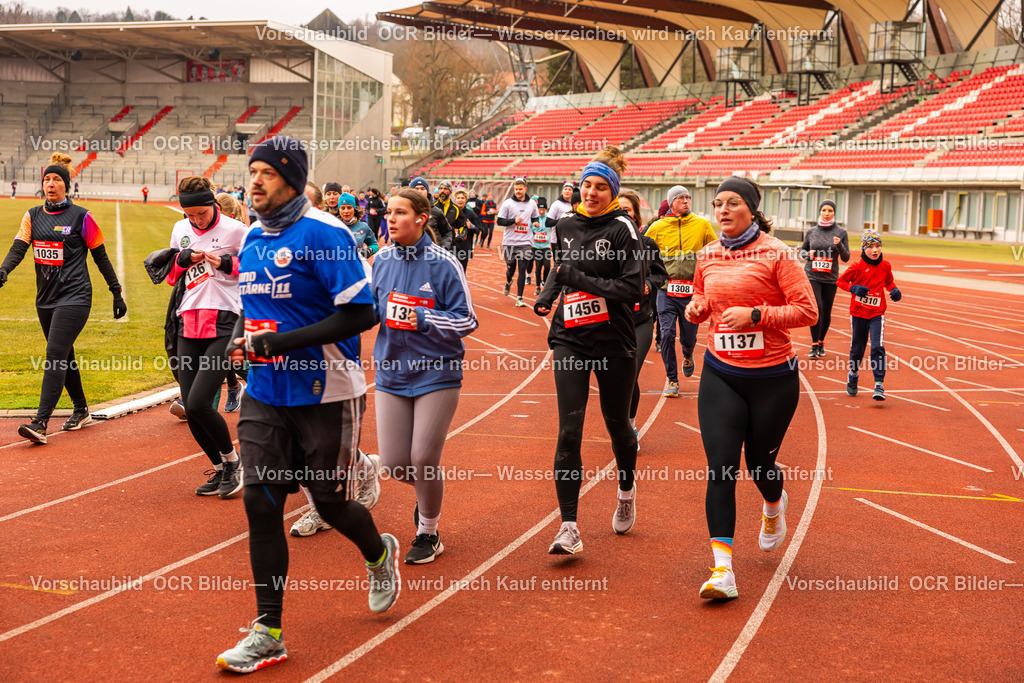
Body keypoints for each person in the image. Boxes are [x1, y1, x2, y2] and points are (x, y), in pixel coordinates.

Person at [217, 136, 397, 673]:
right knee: (261, 504)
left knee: (330, 502)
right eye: (251, 172)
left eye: (267, 173)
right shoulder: (252, 236)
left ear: (292, 179)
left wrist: (283, 343)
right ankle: (268, 630)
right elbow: (261, 313)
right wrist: (246, 342)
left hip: (327, 391)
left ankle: (377, 553)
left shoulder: (326, 233)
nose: (254, 182)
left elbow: (362, 314)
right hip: (266, 393)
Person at [683, 177, 817, 600]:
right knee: (721, 466)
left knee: (760, 465)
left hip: (772, 378)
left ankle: (774, 504)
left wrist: (757, 315)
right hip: (720, 372)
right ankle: (723, 571)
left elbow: (807, 311)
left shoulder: (777, 253)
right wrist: (696, 307)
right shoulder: (706, 254)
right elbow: (702, 296)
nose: (722, 210)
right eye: (717, 203)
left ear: (752, 209)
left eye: (733, 203)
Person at [534, 147, 643, 555]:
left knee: (618, 424)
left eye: (600, 187)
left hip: (614, 340)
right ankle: (569, 526)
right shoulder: (563, 225)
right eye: (586, 185)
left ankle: (627, 489)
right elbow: (558, 269)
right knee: (569, 429)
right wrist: (546, 296)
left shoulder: (623, 230)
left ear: (612, 193)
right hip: (571, 338)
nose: (591, 192)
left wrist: (576, 277)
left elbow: (631, 290)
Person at [372, 188, 478, 563]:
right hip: (390, 372)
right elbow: (370, 310)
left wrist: (425, 318)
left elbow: (468, 319)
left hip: (437, 372)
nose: (390, 218)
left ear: (420, 218)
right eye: (388, 212)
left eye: (399, 212)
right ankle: (426, 495)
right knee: (394, 464)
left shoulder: (443, 263)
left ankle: (428, 532)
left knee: (422, 459)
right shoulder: (380, 260)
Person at [0, 153, 126, 443]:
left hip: (75, 296)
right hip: (45, 298)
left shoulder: (82, 216)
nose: (51, 184)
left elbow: (101, 257)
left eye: (57, 179)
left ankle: (40, 423)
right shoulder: (32, 215)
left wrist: (116, 292)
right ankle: (81, 410)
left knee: (54, 354)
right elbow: (19, 247)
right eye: (47, 179)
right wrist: (4, 270)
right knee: (65, 355)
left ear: (67, 185)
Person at [165, 176, 248, 497]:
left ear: (214, 204)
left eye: (202, 213)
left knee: (198, 403)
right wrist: (182, 259)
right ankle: (220, 468)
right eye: (191, 215)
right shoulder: (180, 230)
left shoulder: (237, 231)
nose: (197, 220)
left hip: (226, 320)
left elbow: (257, 271)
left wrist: (228, 263)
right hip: (188, 321)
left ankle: (233, 462)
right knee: (192, 407)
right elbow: (171, 275)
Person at [645, 185, 716, 398]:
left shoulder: (702, 225)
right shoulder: (658, 227)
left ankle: (687, 353)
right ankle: (672, 379)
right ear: (671, 203)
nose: (685, 201)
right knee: (666, 333)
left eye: (688, 197)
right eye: (680, 198)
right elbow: (640, 249)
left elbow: (715, 250)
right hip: (666, 290)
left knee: (688, 336)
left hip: (691, 292)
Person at [619, 189, 667, 452]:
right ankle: (619, 422)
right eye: (618, 209)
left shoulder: (647, 244)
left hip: (641, 320)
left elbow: (661, 275)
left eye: (627, 210)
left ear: (636, 215)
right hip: (613, 321)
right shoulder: (605, 244)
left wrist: (649, 284)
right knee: (616, 378)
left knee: (630, 373)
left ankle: (630, 425)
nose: (622, 214)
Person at [837, 230, 901, 400]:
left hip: (877, 313)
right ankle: (853, 374)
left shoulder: (885, 266)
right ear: (864, 248)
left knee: (877, 347)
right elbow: (840, 281)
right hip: (858, 313)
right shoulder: (856, 267)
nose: (875, 250)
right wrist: (854, 288)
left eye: (878, 246)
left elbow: (889, 281)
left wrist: (894, 290)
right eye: (871, 246)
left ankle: (879, 384)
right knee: (858, 348)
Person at [800, 199, 850, 357]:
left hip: (830, 277)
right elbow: (802, 251)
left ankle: (821, 342)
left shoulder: (841, 233)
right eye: (824, 210)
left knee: (826, 311)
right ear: (819, 212)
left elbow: (846, 258)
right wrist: (808, 255)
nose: (827, 213)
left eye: (830, 211)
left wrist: (840, 245)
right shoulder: (812, 231)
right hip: (812, 275)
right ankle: (814, 345)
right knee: (817, 308)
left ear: (834, 213)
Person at [497, 178, 539, 308]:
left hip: (525, 241)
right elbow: (499, 221)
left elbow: (534, 216)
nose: (518, 191)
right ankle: (508, 282)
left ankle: (519, 298)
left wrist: (535, 222)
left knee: (522, 269)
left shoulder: (532, 203)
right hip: (510, 241)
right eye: (516, 189)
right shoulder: (507, 204)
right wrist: (513, 220)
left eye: (520, 189)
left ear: (525, 189)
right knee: (511, 268)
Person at [408, 176, 453, 250]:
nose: (420, 191)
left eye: (423, 189)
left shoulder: (436, 211)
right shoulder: (404, 211)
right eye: (416, 189)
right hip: (410, 255)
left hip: (431, 256)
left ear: (427, 191)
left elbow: (447, 232)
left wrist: (443, 248)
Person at [338, 192, 380, 260]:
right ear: (339, 210)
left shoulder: (363, 226)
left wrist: (368, 251)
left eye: (349, 208)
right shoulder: (334, 226)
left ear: (354, 209)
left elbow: (374, 245)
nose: (346, 211)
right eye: (342, 208)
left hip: (356, 267)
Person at [432, 180, 467, 255]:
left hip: (450, 246)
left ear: (450, 191)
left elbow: (463, 226)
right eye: (441, 188)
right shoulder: (432, 206)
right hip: (434, 244)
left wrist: (459, 238)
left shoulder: (455, 208)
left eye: (445, 189)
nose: (442, 191)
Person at [451, 187, 480, 271]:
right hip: (451, 247)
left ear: (466, 200)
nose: (460, 200)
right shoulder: (450, 212)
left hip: (464, 248)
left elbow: (478, 230)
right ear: (455, 199)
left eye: (462, 198)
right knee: (451, 272)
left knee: (461, 272)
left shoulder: (471, 214)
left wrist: (471, 226)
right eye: (458, 198)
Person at [530, 202, 553, 296]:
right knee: (538, 266)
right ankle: (538, 287)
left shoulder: (548, 218)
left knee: (547, 265)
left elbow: (553, 227)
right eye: (540, 210)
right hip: (536, 246)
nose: (542, 211)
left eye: (544, 210)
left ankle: (544, 282)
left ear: (546, 210)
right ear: (537, 209)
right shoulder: (534, 218)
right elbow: (530, 229)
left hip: (546, 246)